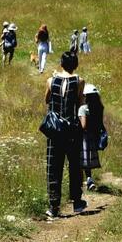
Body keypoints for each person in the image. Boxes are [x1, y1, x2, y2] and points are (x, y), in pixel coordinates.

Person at [44, 51, 87, 218]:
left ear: (61, 63)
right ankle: (76, 201)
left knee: (53, 167)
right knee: (75, 165)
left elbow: (47, 100)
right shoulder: (79, 81)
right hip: (71, 129)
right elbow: (80, 102)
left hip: (54, 129)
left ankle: (54, 206)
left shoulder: (50, 80)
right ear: (75, 65)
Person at [79, 83, 104, 191]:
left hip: (83, 137)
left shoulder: (83, 108)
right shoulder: (99, 108)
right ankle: (89, 179)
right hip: (93, 135)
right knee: (88, 159)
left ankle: (84, 182)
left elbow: (83, 125)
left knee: (81, 159)